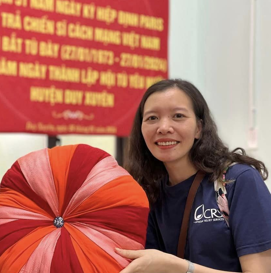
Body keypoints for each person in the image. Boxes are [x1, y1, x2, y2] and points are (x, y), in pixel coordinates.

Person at [116, 79, 271, 273]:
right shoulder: (146, 193)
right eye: (152, 118)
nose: (163, 127)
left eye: (178, 116)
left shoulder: (236, 181)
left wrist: (181, 267)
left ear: (199, 128)